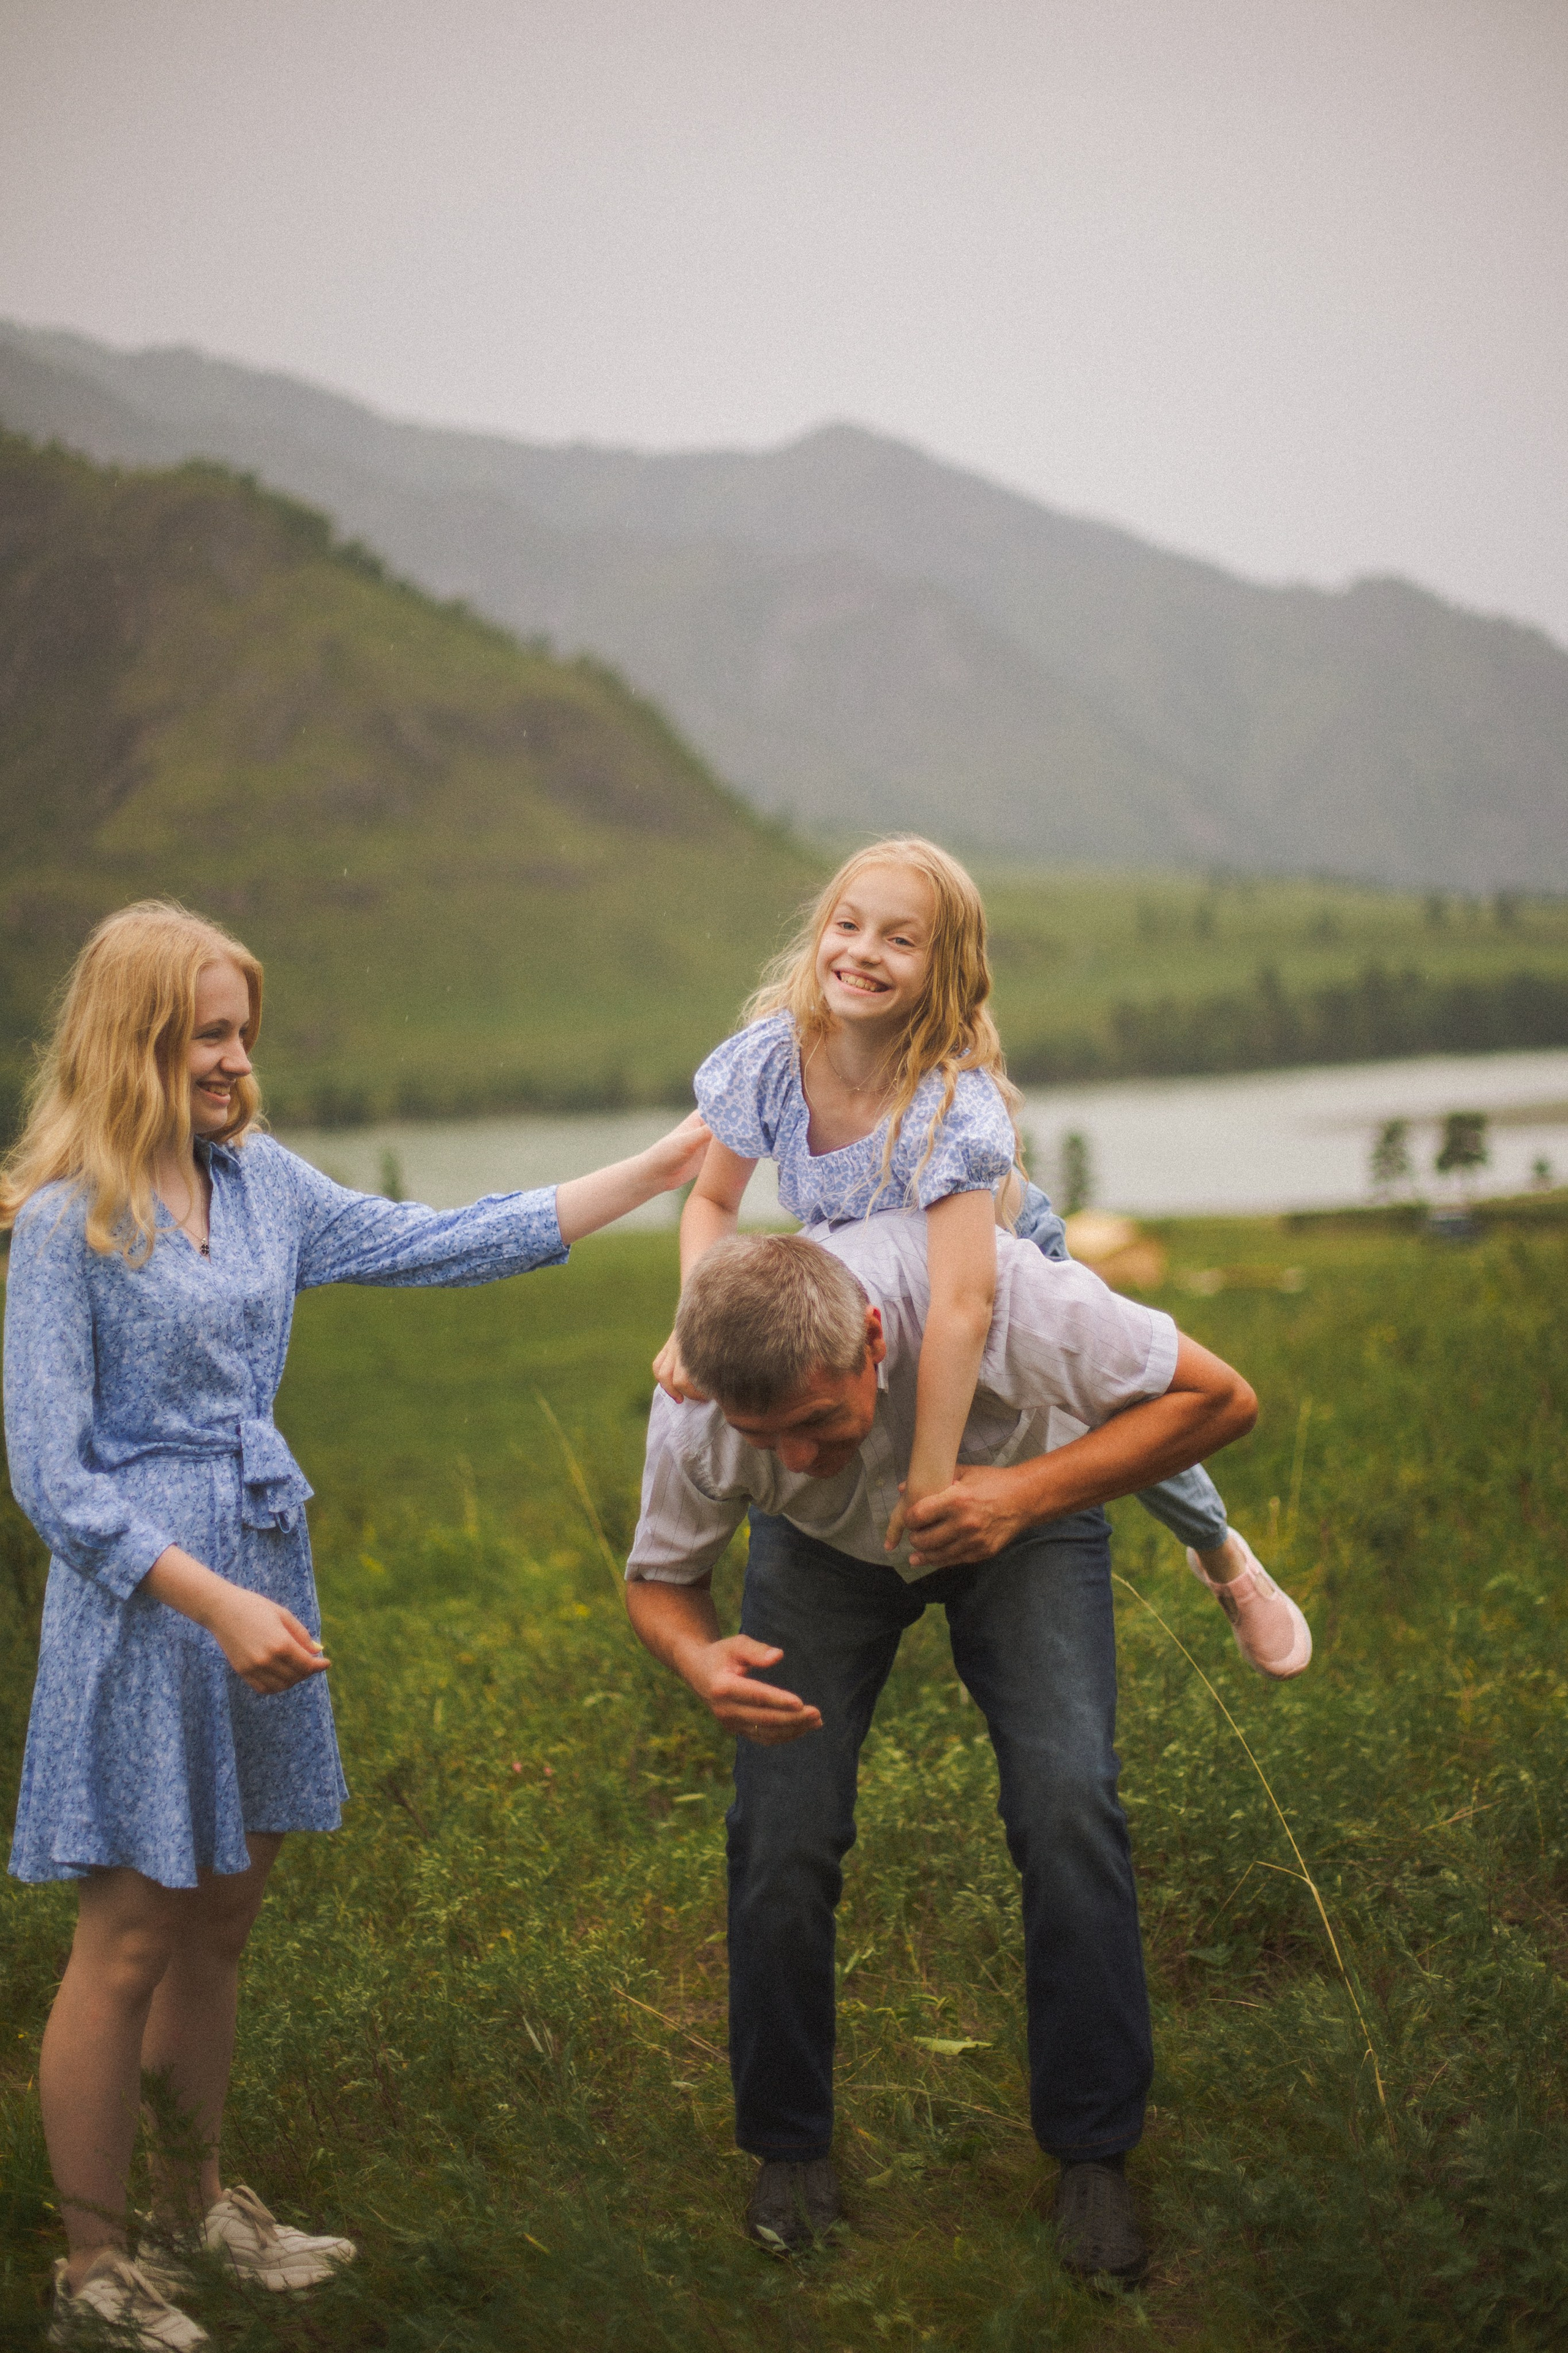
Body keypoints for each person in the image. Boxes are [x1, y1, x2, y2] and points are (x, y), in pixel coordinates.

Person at [0, 900, 709, 2351]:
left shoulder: (257, 1184)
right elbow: (53, 1479)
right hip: (150, 1609)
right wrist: (210, 1603)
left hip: (265, 1563)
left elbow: (439, 1240)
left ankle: (197, 2214)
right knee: (128, 1935)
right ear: (133, 1038)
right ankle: (88, 2273)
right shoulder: (62, 1225)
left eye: (242, 1033)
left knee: (223, 1921)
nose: (234, 1060)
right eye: (207, 1033)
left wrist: (659, 1165)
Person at [626, 1219, 1259, 2284]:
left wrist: (1019, 1496)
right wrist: (698, 1660)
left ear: (875, 1335)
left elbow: (1223, 1400)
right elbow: (658, 1580)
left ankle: (1094, 2152)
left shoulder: (1006, 1292)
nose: (795, 1454)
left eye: (821, 1421)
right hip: (822, 1556)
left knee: (1067, 1802)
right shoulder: (700, 1407)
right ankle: (788, 2145)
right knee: (782, 1832)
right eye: (763, 1433)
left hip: (1025, 1510)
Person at [652, 837, 1310, 1680]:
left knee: (1115, 1401)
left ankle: (1220, 1554)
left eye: (900, 939)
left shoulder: (948, 1097)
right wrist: (693, 1322)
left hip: (990, 1249)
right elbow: (711, 1201)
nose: (862, 951)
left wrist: (931, 1472)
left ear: (944, 968)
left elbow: (963, 1302)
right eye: (848, 925)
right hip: (858, 1266)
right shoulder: (773, 1057)